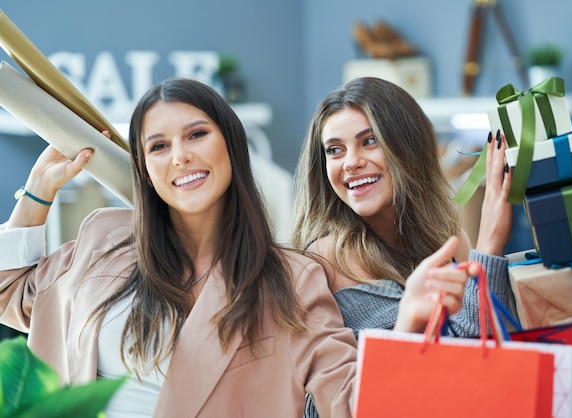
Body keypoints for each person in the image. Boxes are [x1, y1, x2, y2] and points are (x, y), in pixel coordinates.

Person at [0, 77, 481, 418]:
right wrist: (37, 194)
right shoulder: (103, 238)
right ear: (144, 168)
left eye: (196, 134)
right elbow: (9, 292)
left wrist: (410, 324)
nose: (181, 154)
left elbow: (352, 404)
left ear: (230, 145)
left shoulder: (291, 279)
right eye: (159, 146)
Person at [292, 77, 514, 417]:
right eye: (335, 150)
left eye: (370, 141)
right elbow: (320, 409)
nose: (350, 162)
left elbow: (487, 361)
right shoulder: (318, 267)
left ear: (407, 147)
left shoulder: (447, 239)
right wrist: (490, 243)